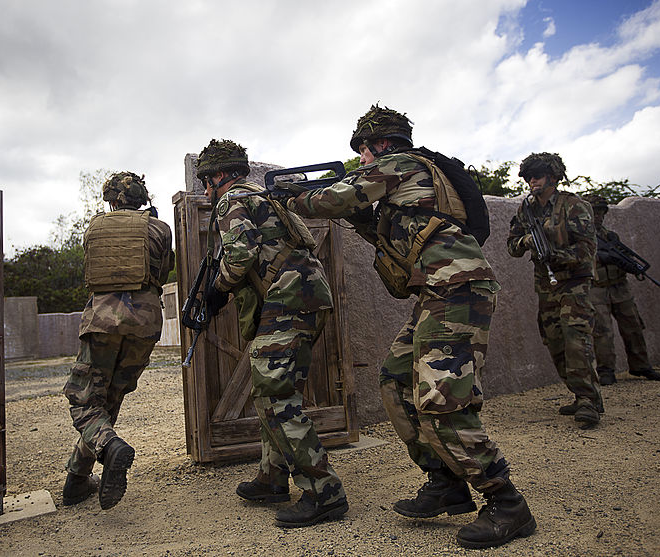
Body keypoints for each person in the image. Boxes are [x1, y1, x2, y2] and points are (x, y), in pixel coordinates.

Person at [284, 105, 534, 549]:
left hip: (458, 290)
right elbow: (385, 235)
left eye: (363, 150)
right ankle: (445, 483)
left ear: (377, 144)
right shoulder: (408, 189)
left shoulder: (402, 163)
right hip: (437, 294)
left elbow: (333, 199)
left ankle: (507, 503)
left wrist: (292, 199)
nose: (361, 159)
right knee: (396, 382)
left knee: (443, 401)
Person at [195, 138, 348, 528]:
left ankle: (323, 492)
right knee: (274, 391)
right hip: (309, 298)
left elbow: (241, 256)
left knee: (276, 396)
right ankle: (273, 477)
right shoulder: (266, 197)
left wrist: (217, 290)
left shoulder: (232, 201)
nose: (206, 190)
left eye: (206, 181)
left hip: (288, 300)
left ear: (219, 177)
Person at [61, 172, 174, 509]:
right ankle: (77, 480)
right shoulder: (160, 229)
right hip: (145, 321)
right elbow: (163, 271)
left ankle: (110, 448)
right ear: (142, 199)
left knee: (85, 401)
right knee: (109, 399)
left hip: (103, 319)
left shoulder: (95, 227)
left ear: (111, 200)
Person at [507, 153, 604, 428]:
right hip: (546, 285)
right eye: (527, 177)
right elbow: (512, 246)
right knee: (555, 341)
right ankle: (579, 393)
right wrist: (526, 240)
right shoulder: (526, 210)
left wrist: (556, 253)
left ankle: (588, 400)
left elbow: (588, 249)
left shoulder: (575, 206)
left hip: (574, 281)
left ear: (552, 177)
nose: (531, 181)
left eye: (536, 175)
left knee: (576, 338)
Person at [584, 194, 660, 385]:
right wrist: (602, 257)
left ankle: (641, 366)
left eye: (600, 212)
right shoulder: (580, 236)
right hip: (596, 288)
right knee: (602, 332)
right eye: (594, 212)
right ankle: (606, 371)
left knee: (633, 326)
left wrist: (631, 267)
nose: (598, 216)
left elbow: (623, 256)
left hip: (619, 286)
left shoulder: (610, 236)